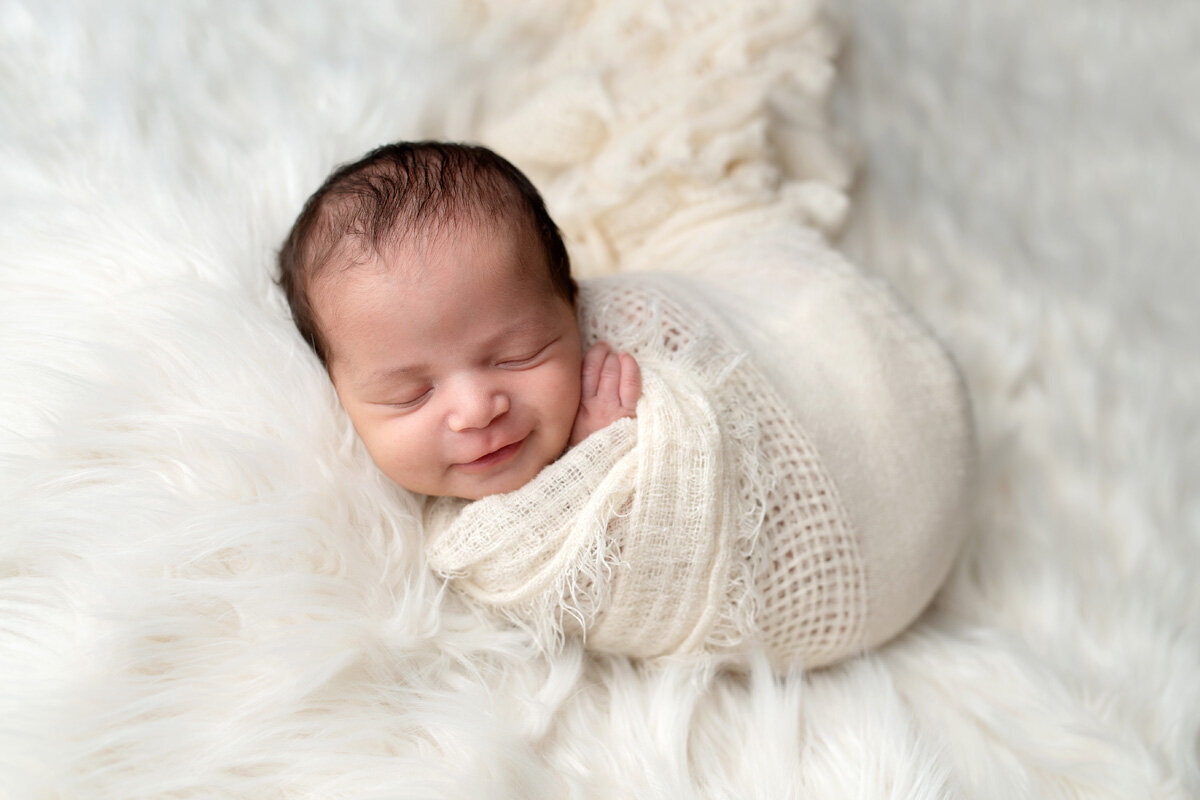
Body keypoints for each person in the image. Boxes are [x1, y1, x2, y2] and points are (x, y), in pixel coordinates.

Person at [278, 141, 976, 669]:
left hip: (869, 443)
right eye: (411, 392)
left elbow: (707, 379)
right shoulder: (405, 555)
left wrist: (615, 454)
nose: (474, 408)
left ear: (571, 305)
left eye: (515, 354)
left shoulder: (623, 344)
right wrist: (583, 478)